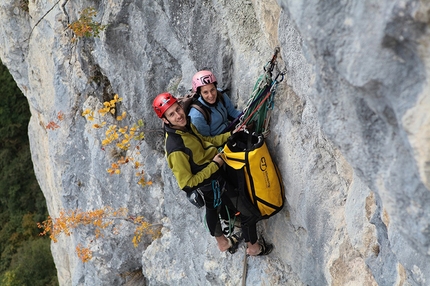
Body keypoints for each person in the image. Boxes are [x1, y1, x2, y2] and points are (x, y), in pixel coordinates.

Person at [152, 92, 272, 256]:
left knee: (213, 209)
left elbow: (206, 141)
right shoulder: (176, 148)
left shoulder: (185, 126)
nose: (179, 115)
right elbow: (187, 183)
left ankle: (223, 243)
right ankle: (253, 248)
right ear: (164, 120)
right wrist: (215, 165)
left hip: (214, 173)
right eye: (171, 114)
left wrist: (231, 135)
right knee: (247, 212)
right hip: (208, 183)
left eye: (178, 109)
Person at [189, 70, 242, 136]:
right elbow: (208, 140)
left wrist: (245, 117)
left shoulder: (220, 94)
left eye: (212, 90)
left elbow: (232, 112)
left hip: (230, 129)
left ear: (216, 87)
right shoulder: (197, 116)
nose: (211, 95)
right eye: (205, 92)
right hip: (218, 141)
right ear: (200, 93)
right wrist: (230, 134)